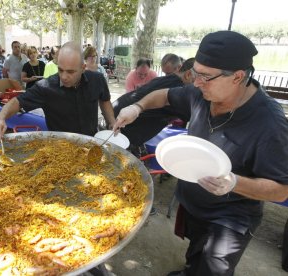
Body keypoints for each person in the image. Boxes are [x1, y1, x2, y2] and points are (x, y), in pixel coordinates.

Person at [113, 31, 288, 276]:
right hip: (194, 204)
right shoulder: (201, 94)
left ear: (238, 76)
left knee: (212, 269)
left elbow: (281, 188)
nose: (196, 83)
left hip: (230, 218)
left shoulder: (269, 122)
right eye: (195, 73)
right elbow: (164, 96)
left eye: (205, 77)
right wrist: (137, 106)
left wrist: (234, 182)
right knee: (195, 254)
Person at [0, 41, 116, 141]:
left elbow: (104, 101)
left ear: (83, 68)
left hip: (91, 142)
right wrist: (0, 117)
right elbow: (18, 101)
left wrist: (112, 123)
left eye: (70, 72)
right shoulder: (46, 87)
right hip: (59, 148)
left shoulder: (97, 79)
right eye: (60, 70)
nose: (64, 76)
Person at [113, 57, 195, 156]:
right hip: (124, 128)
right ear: (188, 74)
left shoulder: (161, 79)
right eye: (204, 78)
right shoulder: (181, 90)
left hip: (116, 113)